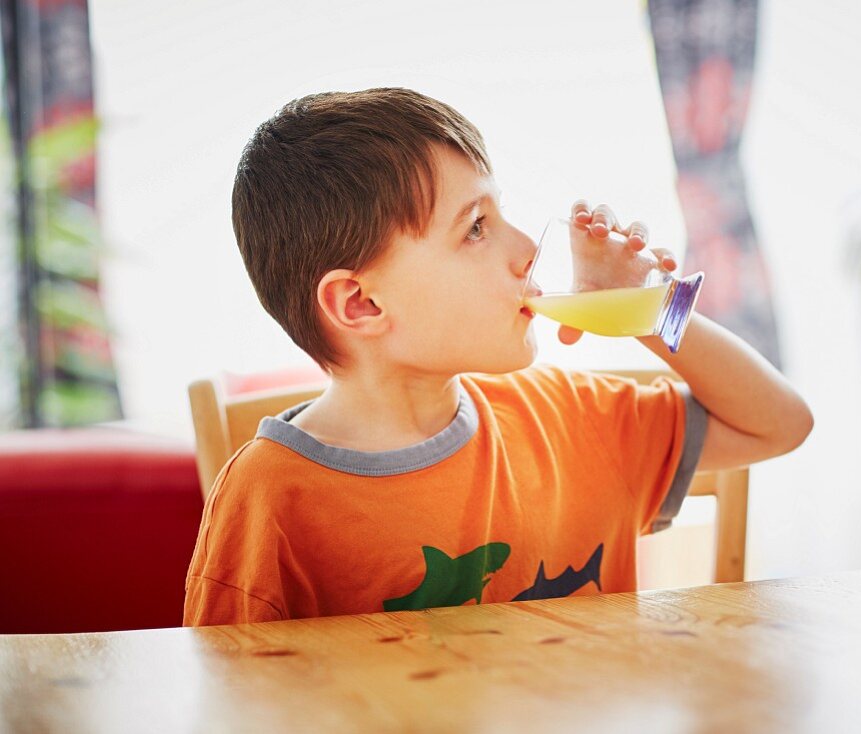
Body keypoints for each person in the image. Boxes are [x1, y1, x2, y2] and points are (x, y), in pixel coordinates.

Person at [183, 88, 813, 625]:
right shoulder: (272, 502)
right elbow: (235, 703)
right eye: (475, 227)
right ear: (361, 305)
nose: (525, 247)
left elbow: (782, 424)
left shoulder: (570, 420)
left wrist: (653, 312)